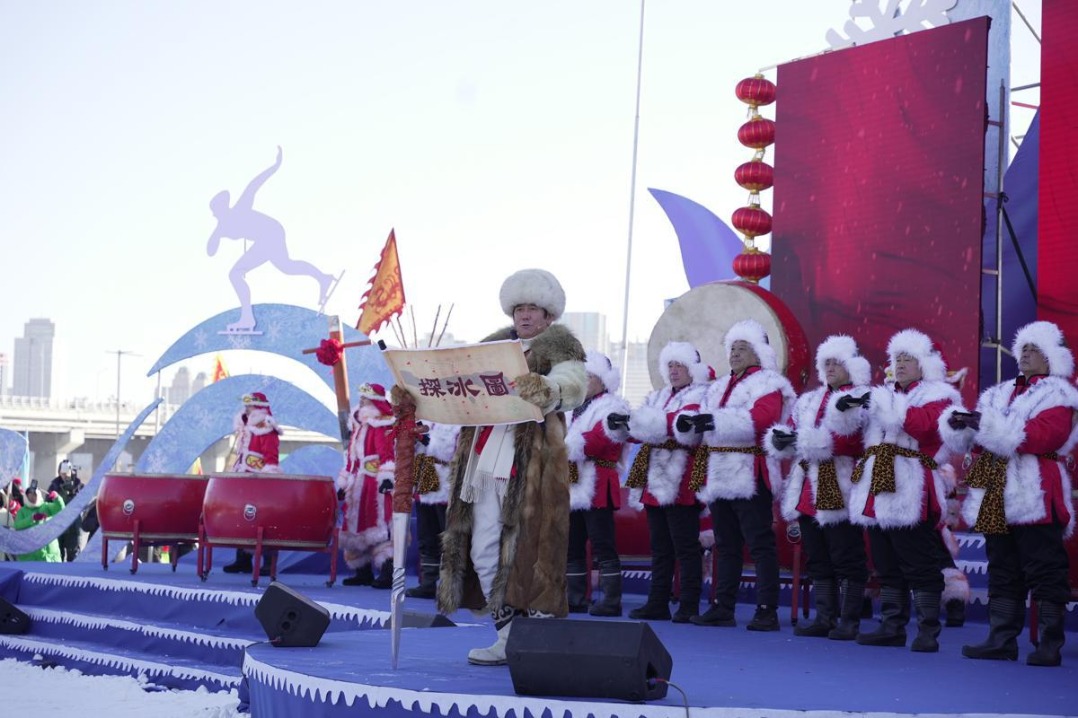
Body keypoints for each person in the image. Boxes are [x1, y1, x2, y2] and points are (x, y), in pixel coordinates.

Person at [438, 268, 587, 666]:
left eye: (533, 309)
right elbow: (452, 389)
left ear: (548, 316)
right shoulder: (491, 349)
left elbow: (572, 383)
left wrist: (549, 389)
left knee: (530, 549)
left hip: (530, 461)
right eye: (519, 308)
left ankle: (536, 637)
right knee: (483, 546)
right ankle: (507, 635)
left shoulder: (560, 347)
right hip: (482, 459)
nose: (525, 316)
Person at [940, 321, 1077, 667]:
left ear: (1052, 358)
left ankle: (1049, 643)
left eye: (1034, 349)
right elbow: (984, 434)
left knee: (1045, 569)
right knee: (1002, 568)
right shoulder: (998, 393)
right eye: (1023, 349)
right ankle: (1001, 638)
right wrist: (962, 426)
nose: (1026, 355)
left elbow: (1040, 437)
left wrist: (983, 425)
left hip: (1035, 490)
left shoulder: (1060, 395)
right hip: (996, 490)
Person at [849, 329, 958, 653]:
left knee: (919, 560)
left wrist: (884, 401)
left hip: (913, 483)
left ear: (924, 363)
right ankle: (892, 625)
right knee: (885, 559)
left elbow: (923, 426)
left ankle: (927, 629)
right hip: (879, 480)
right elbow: (862, 435)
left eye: (908, 359)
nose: (900, 364)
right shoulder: (885, 393)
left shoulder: (941, 394)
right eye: (896, 359)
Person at [686, 319, 796, 631]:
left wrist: (713, 422)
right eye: (732, 347)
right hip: (720, 471)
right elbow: (703, 420)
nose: (734, 353)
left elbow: (761, 419)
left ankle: (767, 609)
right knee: (725, 543)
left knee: (760, 543)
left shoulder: (769, 383)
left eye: (742, 347)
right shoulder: (718, 386)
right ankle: (723, 606)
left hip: (750, 471)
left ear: (758, 353)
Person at [765, 335, 870, 640]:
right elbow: (795, 430)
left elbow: (849, 440)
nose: (831, 367)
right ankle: (825, 616)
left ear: (852, 366)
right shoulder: (809, 399)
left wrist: (801, 441)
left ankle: (849, 619)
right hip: (808, 486)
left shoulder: (862, 397)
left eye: (837, 362)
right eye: (827, 362)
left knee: (846, 554)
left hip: (842, 482)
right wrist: (782, 438)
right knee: (818, 554)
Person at [623, 341, 710, 623]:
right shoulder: (658, 396)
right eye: (670, 365)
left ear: (692, 369)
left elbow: (681, 425)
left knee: (685, 546)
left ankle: (689, 604)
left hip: (682, 477)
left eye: (680, 365)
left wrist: (653, 424)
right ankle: (657, 602)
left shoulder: (701, 395)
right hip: (655, 474)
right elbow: (639, 427)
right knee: (660, 546)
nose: (674, 371)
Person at [206, 146, 336, 332]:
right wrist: (217, 232)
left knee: (235, 273)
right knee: (287, 266)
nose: (215, 216)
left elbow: (254, 185)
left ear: (223, 208)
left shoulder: (239, 208)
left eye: (217, 212)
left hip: (270, 234)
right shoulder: (223, 226)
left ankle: (247, 318)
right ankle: (322, 278)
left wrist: (275, 166)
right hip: (269, 236)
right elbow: (210, 250)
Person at [565, 351, 631, 617]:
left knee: (603, 543)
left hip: (597, 480)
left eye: (589, 377)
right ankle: (575, 596)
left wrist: (566, 447)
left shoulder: (614, 406)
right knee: (573, 543)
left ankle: (611, 600)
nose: (584, 381)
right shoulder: (574, 408)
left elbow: (601, 438)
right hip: (574, 482)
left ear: (604, 381)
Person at [337, 383, 397, 588]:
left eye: (365, 398)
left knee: (379, 524)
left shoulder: (381, 424)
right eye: (361, 398)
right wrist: (343, 482)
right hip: (358, 484)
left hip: (375, 485)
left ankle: (388, 570)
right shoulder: (359, 425)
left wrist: (387, 477)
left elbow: (387, 453)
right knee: (356, 523)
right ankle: (362, 570)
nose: (361, 401)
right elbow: (352, 459)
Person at [222, 392, 282, 575]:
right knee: (242, 517)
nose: (246, 409)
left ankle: (268, 563)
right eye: (245, 406)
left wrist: (268, 478)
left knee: (263, 519)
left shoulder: (266, 427)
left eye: (250, 406)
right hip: (244, 478)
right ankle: (243, 559)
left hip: (260, 482)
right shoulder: (245, 428)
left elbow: (271, 457)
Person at [406, 421, 459, 598]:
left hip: (448, 480)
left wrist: (428, 441)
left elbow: (457, 453)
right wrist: (414, 440)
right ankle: (428, 582)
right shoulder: (427, 420)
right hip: (426, 475)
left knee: (448, 536)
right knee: (427, 535)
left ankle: (450, 585)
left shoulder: (460, 423)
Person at [14, 480, 65, 562]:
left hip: (49, 553)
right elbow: (17, 526)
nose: (32, 497)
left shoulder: (46, 507)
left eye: (34, 494)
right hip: (30, 556)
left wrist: (57, 498)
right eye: (29, 495)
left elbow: (60, 508)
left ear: (38, 494)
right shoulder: (22, 511)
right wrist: (32, 519)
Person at [48, 460, 84, 562]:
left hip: (74, 527)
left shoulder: (79, 486)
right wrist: (60, 493)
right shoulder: (54, 486)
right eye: (62, 473)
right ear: (59, 473)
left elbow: (83, 503)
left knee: (73, 556)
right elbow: (48, 504)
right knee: (57, 554)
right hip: (58, 526)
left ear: (71, 472)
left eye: (66, 473)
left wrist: (73, 492)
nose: (64, 476)